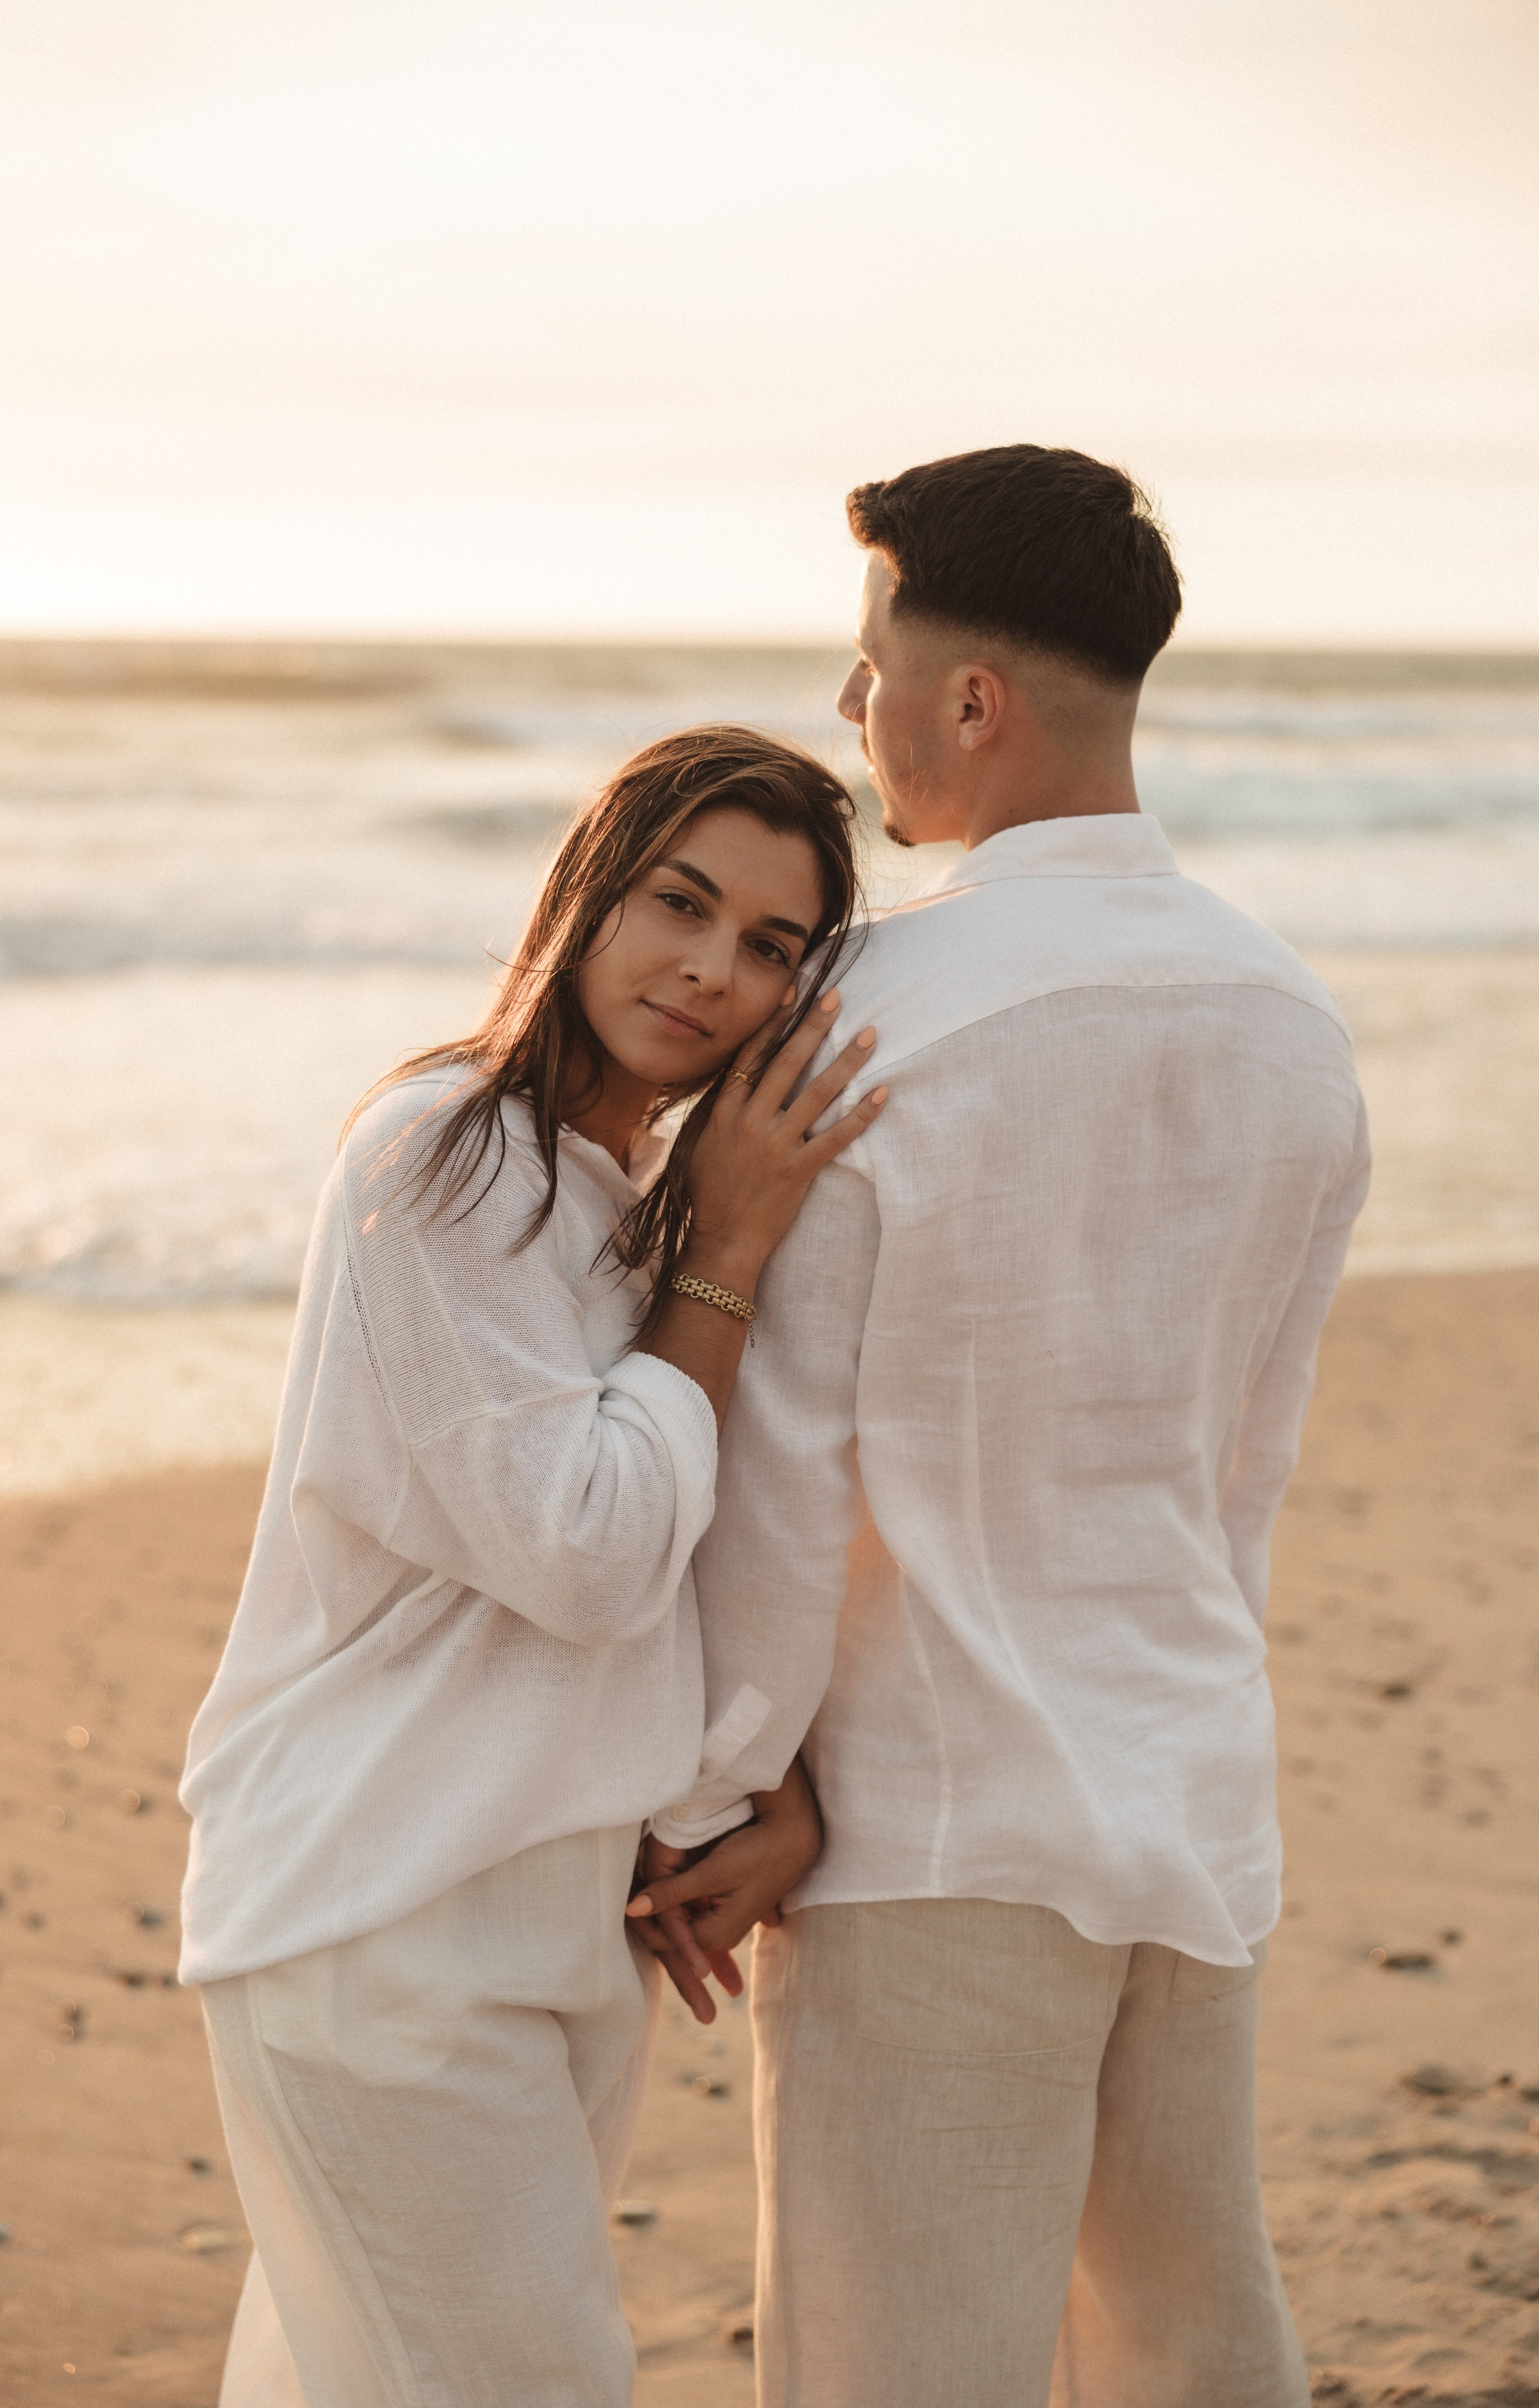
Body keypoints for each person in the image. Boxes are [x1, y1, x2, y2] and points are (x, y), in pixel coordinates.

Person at [628, 448, 1369, 2407]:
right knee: (1192, 2345)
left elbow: (786, 1476)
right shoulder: (1295, 1020)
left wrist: (718, 1789)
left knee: (900, 2370)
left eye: (870, 659)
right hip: (1189, 1785)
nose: (846, 704)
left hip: (933, 1821)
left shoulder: (868, 1013)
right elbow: (1245, 1470)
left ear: (974, 699)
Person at [177, 725, 881, 2408]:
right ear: (589, 894)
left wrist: (745, 1790)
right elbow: (588, 1549)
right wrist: (726, 1259)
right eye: (680, 903)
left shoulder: (616, 1195)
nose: (712, 972)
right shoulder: (446, 1159)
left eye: (771, 946)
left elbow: (661, 1570)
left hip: (544, 1912)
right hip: (384, 1912)